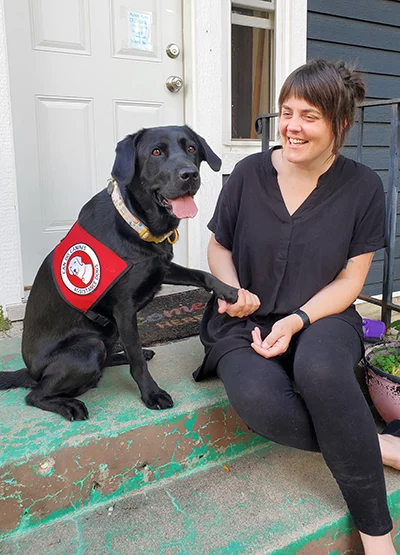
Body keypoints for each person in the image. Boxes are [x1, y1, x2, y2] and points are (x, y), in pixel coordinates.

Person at [194, 59, 400, 553]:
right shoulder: (247, 174)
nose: (291, 126)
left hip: (322, 316)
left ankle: (378, 538)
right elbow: (218, 247)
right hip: (243, 322)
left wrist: (299, 318)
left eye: (309, 115)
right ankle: (382, 445)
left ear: (340, 124)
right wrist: (234, 291)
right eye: (286, 112)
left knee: (324, 374)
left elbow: (352, 279)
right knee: (264, 405)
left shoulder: (363, 187)